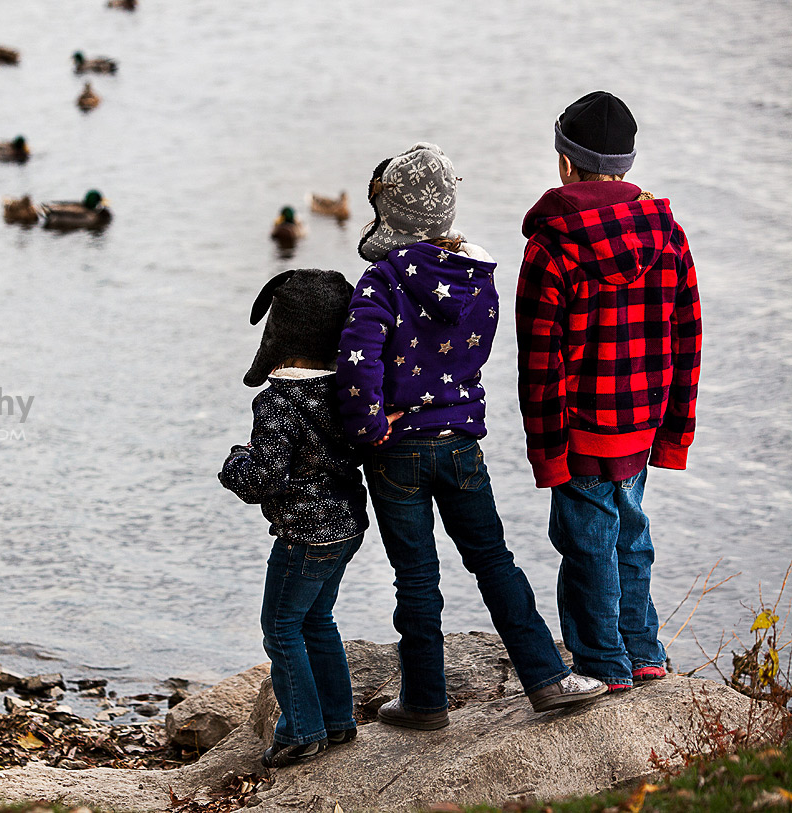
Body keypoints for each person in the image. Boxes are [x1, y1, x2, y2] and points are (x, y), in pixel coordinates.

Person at [336, 142, 605, 730]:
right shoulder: (476, 279)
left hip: (396, 451)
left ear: (391, 212)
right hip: (460, 444)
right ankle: (547, 677)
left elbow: (359, 369)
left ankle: (425, 701)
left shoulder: (379, 282)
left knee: (416, 578)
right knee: (494, 561)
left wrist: (370, 429)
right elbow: (471, 354)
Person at [516, 91, 702, 693]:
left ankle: (602, 661)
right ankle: (644, 651)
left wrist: (545, 452)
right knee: (630, 528)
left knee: (587, 539)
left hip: (579, 426)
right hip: (643, 421)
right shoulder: (668, 235)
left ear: (566, 165)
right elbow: (688, 337)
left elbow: (539, 361)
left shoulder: (550, 247)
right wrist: (674, 432)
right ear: (625, 165)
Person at [219, 269, 370, 768]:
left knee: (281, 626)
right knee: (318, 620)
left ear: (279, 338)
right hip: (346, 525)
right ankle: (339, 719)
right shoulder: (346, 389)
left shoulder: (279, 402)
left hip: (304, 534)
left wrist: (234, 463)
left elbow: (261, 476)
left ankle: (303, 729)